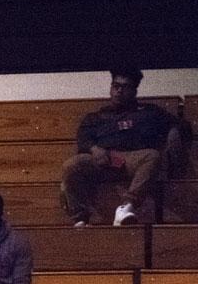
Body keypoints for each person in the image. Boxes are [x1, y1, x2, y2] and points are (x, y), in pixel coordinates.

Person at [61, 67, 189, 226]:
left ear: (134, 91)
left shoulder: (149, 112)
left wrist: (173, 133)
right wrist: (94, 149)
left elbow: (182, 125)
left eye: (124, 87)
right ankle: (80, 218)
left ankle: (126, 207)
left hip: (133, 159)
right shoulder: (97, 116)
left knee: (152, 156)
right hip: (103, 159)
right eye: (115, 86)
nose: (118, 91)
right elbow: (83, 138)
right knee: (71, 165)